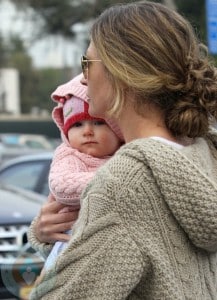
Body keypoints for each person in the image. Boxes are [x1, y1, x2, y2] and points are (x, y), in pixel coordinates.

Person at [29, 2, 217, 299]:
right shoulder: (200, 152)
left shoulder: (124, 183)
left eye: (87, 63)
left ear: (121, 71)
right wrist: (43, 234)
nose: (83, 78)